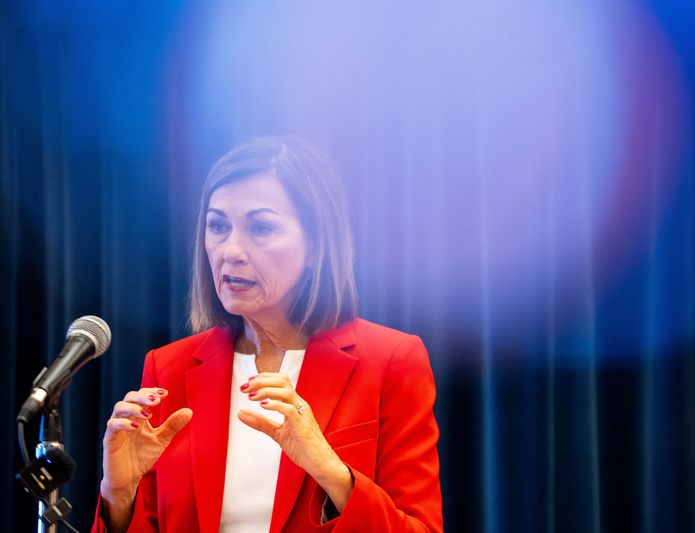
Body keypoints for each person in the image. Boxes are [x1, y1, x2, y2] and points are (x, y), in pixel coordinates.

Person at [92, 136, 443, 532]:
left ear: (315, 247)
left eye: (261, 227)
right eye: (218, 226)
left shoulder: (391, 360)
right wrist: (119, 495)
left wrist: (330, 471)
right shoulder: (168, 367)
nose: (232, 250)